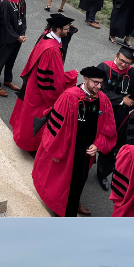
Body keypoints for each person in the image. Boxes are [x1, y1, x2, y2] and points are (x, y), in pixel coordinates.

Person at [32, 66, 117, 217]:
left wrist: (98, 144)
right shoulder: (69, 97)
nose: (98, 86)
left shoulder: (103, 100)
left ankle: (73, 203)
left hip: (87, 151)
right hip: (68, 148)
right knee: (61, 181)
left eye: (101, 83)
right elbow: (56, 126)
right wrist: (55, 150)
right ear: (85, 79)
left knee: (80, 180)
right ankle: (60, 207)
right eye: (95, 83)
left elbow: (108, 127)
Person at [9, 13, 77, 152]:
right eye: (65, 28)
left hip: (33, 83)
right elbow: (53, 80)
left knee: (27, 113)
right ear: (57, 29)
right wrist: (71, 77)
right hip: (40, 91)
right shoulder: (52, 50)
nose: (67, 31)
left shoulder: (46, 36)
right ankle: (31, 145)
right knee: (36, 116)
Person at [95, 42, 134, 191]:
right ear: (116, 56)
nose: (123, 64)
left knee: (111, 143)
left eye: (127, 62)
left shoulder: (132, 73)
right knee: (92, 136)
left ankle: (102, 174)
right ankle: (87, 161)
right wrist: (122, 100)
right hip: (100, 111)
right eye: (121, 60)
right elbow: (99, 91)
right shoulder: (104, 67)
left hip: (119, 115)